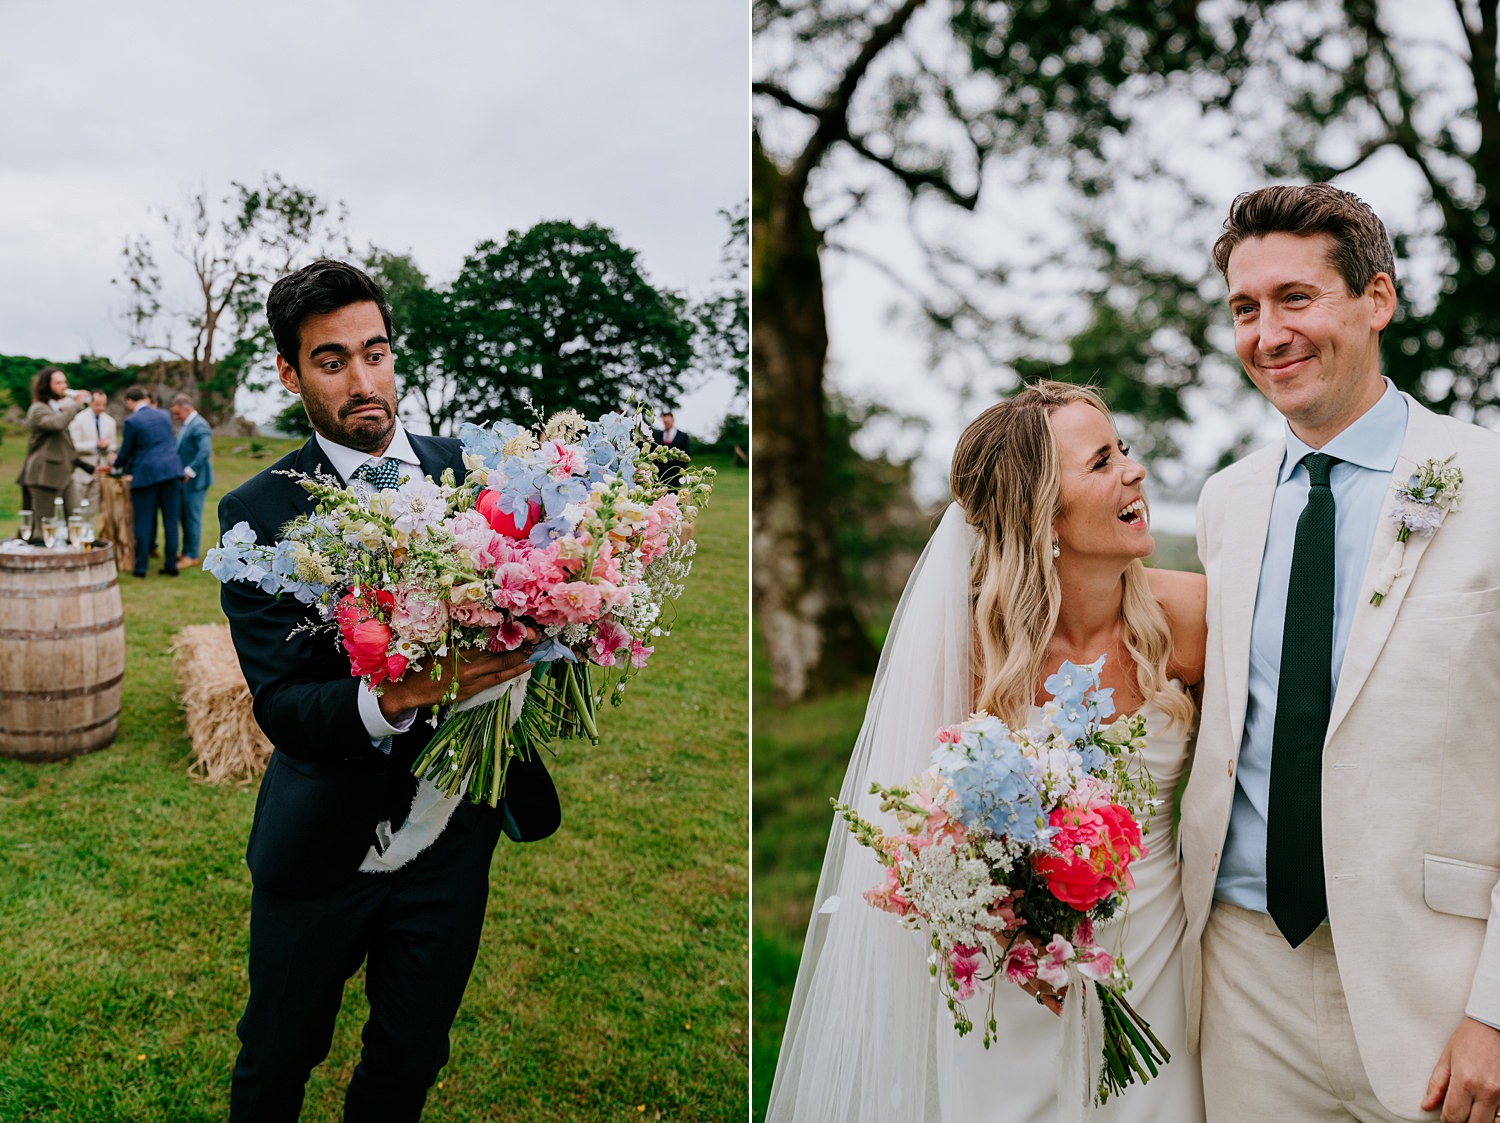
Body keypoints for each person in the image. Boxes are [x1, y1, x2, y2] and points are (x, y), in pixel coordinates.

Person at [766, 381, 1207, 1122]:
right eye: (1102, 462)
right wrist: (999, 913)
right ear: (1045, 516)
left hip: (1156, 978)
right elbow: (916, 844)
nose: (1133, 470)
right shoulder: (968, 650)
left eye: (1123, 449)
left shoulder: (1189, 618)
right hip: (1010, 992)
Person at [1180, 184, 1500, 1122]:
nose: (1268, 333)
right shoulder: (1224, 503)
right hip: (1241, 979)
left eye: (1295, 298)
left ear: (1377, 300)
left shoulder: (1488, 482)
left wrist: (1495, 1009)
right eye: (1246, 308)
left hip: (1438, 986)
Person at [218, 259, 560, 1122]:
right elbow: (285, 705)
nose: (364, 381)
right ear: (291, 373)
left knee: (409, 1058)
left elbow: (540, 603)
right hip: (323, 844)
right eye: (332, 361)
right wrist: (410, 689)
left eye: (376, 352)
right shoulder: (259, 512)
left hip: (454, 835)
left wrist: (573, 621)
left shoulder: (477, 477)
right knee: (278, 1058)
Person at [112, 386, 183, 577]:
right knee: (170, 521)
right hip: (171, 471)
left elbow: (126, 451)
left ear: (129, 401)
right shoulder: (164, 415)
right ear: (145, 398)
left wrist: (115, 466)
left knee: (142, 521)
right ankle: (171, 565)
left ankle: (141, 567)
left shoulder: (132, 421)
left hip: (147, 475)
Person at [17, 366, 90, 531]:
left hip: (64, 472)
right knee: (44, 526)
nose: (63, 386)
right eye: (58, 383)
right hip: (43, 474)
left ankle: (78, 554)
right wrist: (77, 405)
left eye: (64, 382)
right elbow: (56, 425)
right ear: (46, 385)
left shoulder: (55, 408)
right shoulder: (38, 408)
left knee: (76, 518)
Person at [169, 393, 213, 567]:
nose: (175, 416)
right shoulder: (187, 424)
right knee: (185, 516)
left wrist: (189, 471)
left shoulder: (199, 425)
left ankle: (192, 555)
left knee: (192, 518)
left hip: (196, 482)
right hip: (185, 482)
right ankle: (186, 551)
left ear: (186, 408)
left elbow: (204, 451)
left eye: (177, 413)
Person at [66, 389, 116, 514]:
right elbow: (73, 445)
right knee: (76, 509)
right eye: (97, 405)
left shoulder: (110, 422)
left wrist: (108, 448)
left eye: (103, 405)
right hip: (82, 470)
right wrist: (94, 445)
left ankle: (88, 532)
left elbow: (114, 445)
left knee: (92, 511)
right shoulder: (78, 419)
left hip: (101, 472)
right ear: (90, 403)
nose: (101, 408)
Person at [652, 409, 690, 485]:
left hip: (674, 475)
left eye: (668, 421)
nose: (666, 423)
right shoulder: (657, 435)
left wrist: (680, 472)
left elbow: (686, 452)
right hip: (659, 474)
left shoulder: (683, 436)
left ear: (673, 420)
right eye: (664, 422)